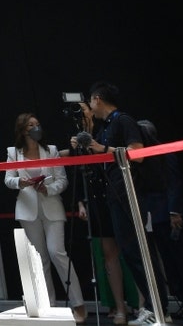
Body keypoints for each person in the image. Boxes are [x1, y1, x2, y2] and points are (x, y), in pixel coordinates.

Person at [75, 82, 167, 326]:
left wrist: (102, 148)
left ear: (97, 99)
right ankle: (152, 308)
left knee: (140, 252)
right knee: (130, 252)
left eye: (90, 101)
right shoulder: (105, 126)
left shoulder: (123, 121)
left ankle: (157, 309)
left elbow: (138, 153)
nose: (90, 106)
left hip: (130, 194)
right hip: (115, 195)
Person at [5, 113, 86, 324]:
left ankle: (78, 304)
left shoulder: (50, 150)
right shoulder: (14, 153)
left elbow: (63, 181)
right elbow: (8, 179)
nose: (35, 128)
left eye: (38, 124)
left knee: (57, 252)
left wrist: (47, 189)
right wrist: (20, 183)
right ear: (23, 130)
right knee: (40, 260)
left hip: (51, 206)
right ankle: (49, 306)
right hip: (27, 209)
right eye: (31, 125)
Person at [68, 101, 133, 324]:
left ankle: (144, 304)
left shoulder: (106, 130)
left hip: (116, 192)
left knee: (132, 249)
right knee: (108, 253)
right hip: (95, 198)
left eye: (84, 109)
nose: (82, 114)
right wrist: (80, 203)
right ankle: (119, 304)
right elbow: (78, 169)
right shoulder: (78, 138)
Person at [137, 120, 183, 321]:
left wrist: (174, 212)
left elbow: (173, 184)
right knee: (169, 262)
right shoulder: (143, 158)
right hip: (154, 214)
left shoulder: (164, 152)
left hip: (168, 213)